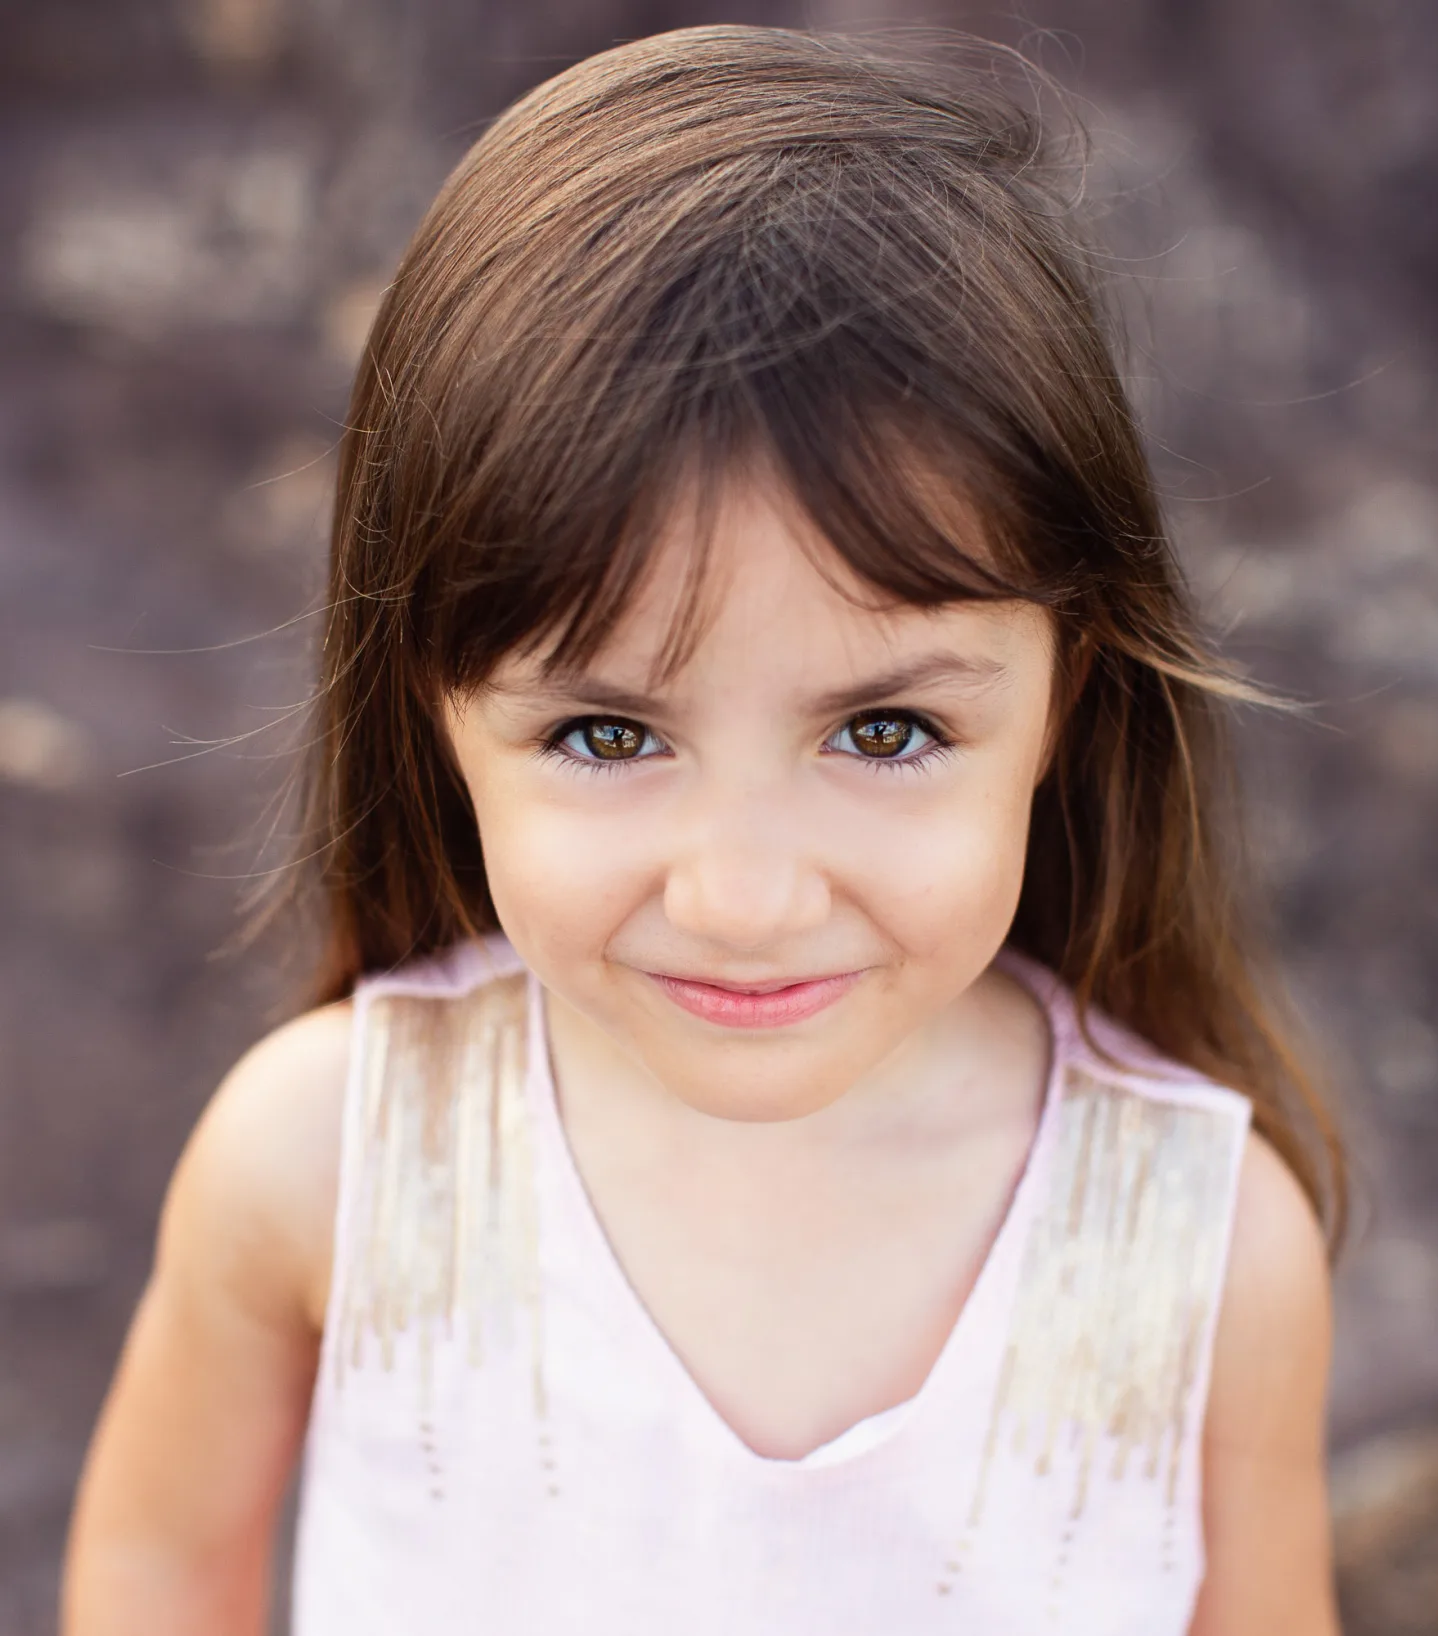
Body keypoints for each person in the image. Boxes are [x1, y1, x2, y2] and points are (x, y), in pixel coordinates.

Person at [61, 25, 1345, 1636]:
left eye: (886, 731)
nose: (742, 896)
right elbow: (161, 1575)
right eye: (608, 734)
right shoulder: (328, 1159)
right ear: (440, 717)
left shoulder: (1201, 1253)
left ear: (1064, 697)